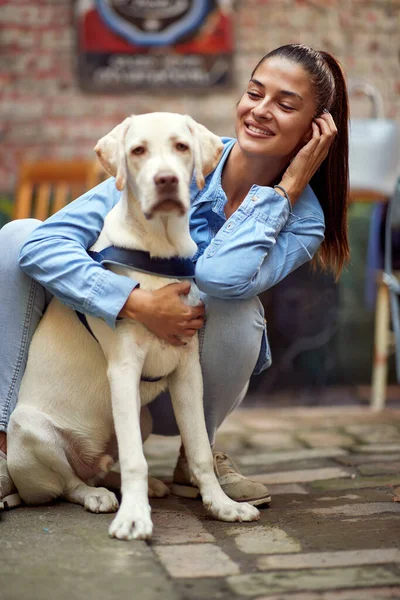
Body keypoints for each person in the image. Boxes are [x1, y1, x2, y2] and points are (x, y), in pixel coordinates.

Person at [0, 44, 349, 508]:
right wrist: (130, 301)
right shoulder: (172, 159)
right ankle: (7, 442)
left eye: (285, 105)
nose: (260, 111)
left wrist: (282, 191)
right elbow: (41, 245)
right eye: (254, 93)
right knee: (17, 235)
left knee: (235, 304)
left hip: (182, 388)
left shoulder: (304, 220)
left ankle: (196, 456)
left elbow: (221, 276)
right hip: (94, 386)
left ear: (315, 130)